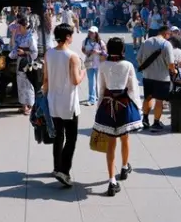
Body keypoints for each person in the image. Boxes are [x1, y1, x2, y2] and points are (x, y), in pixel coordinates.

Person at [93, 37, 142, 196]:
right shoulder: (128, 65)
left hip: (107, 105)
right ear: (122, 50)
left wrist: (99, 106)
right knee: (125, 138)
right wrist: (138, 108)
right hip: (124, 105)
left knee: (110, 143)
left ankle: (111, 180)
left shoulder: (103, 65)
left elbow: (101, 88)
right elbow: (133, 88)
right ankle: (124, 167)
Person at [43, 23, 84, 188]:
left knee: (58, 135)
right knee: (71, 137)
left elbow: (45, 79)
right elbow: (75, 80)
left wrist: (44, 97)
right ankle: (64, 171)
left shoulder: (49, 53)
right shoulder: (72, 56)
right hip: (69, 102)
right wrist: (83, 72)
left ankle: (56, 167)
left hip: (53, 101)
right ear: (68, 37)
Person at [136, 25, 174, 132]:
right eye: (169, 34)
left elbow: (138, 59)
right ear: (166, 33)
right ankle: (156, 122)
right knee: (159, 100)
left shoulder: (146, 42)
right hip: (162, 77)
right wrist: (173, 70)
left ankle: (145, 119)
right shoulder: (166, 44)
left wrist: (146, 69)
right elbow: (171, 63)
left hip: (147, 76)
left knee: (147, 98)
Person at [12, 16, 39, 115]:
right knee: (20, 83)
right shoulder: (19, 36)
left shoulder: (31, 37)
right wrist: (13, 36)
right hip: (20, 61)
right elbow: (14, 47)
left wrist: (24, 52)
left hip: (28, 62)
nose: (18, 28)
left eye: (19, 26)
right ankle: (23, 105)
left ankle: (30, 105)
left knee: (28, 83)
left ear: (24, 26)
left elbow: (35, 52)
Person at [81, 26, 107, 106]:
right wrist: (87, 53)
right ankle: (92, 99)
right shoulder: (85, 41)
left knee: (98, 81)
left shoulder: (100, 42)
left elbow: (105, 53)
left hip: (99, 64)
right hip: (89, 64)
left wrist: (98, 52)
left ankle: (98, 97)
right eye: (89, 32)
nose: (90, 33)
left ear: (96, 33)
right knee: (91, 82)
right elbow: (83, 49)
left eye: (92, 32)